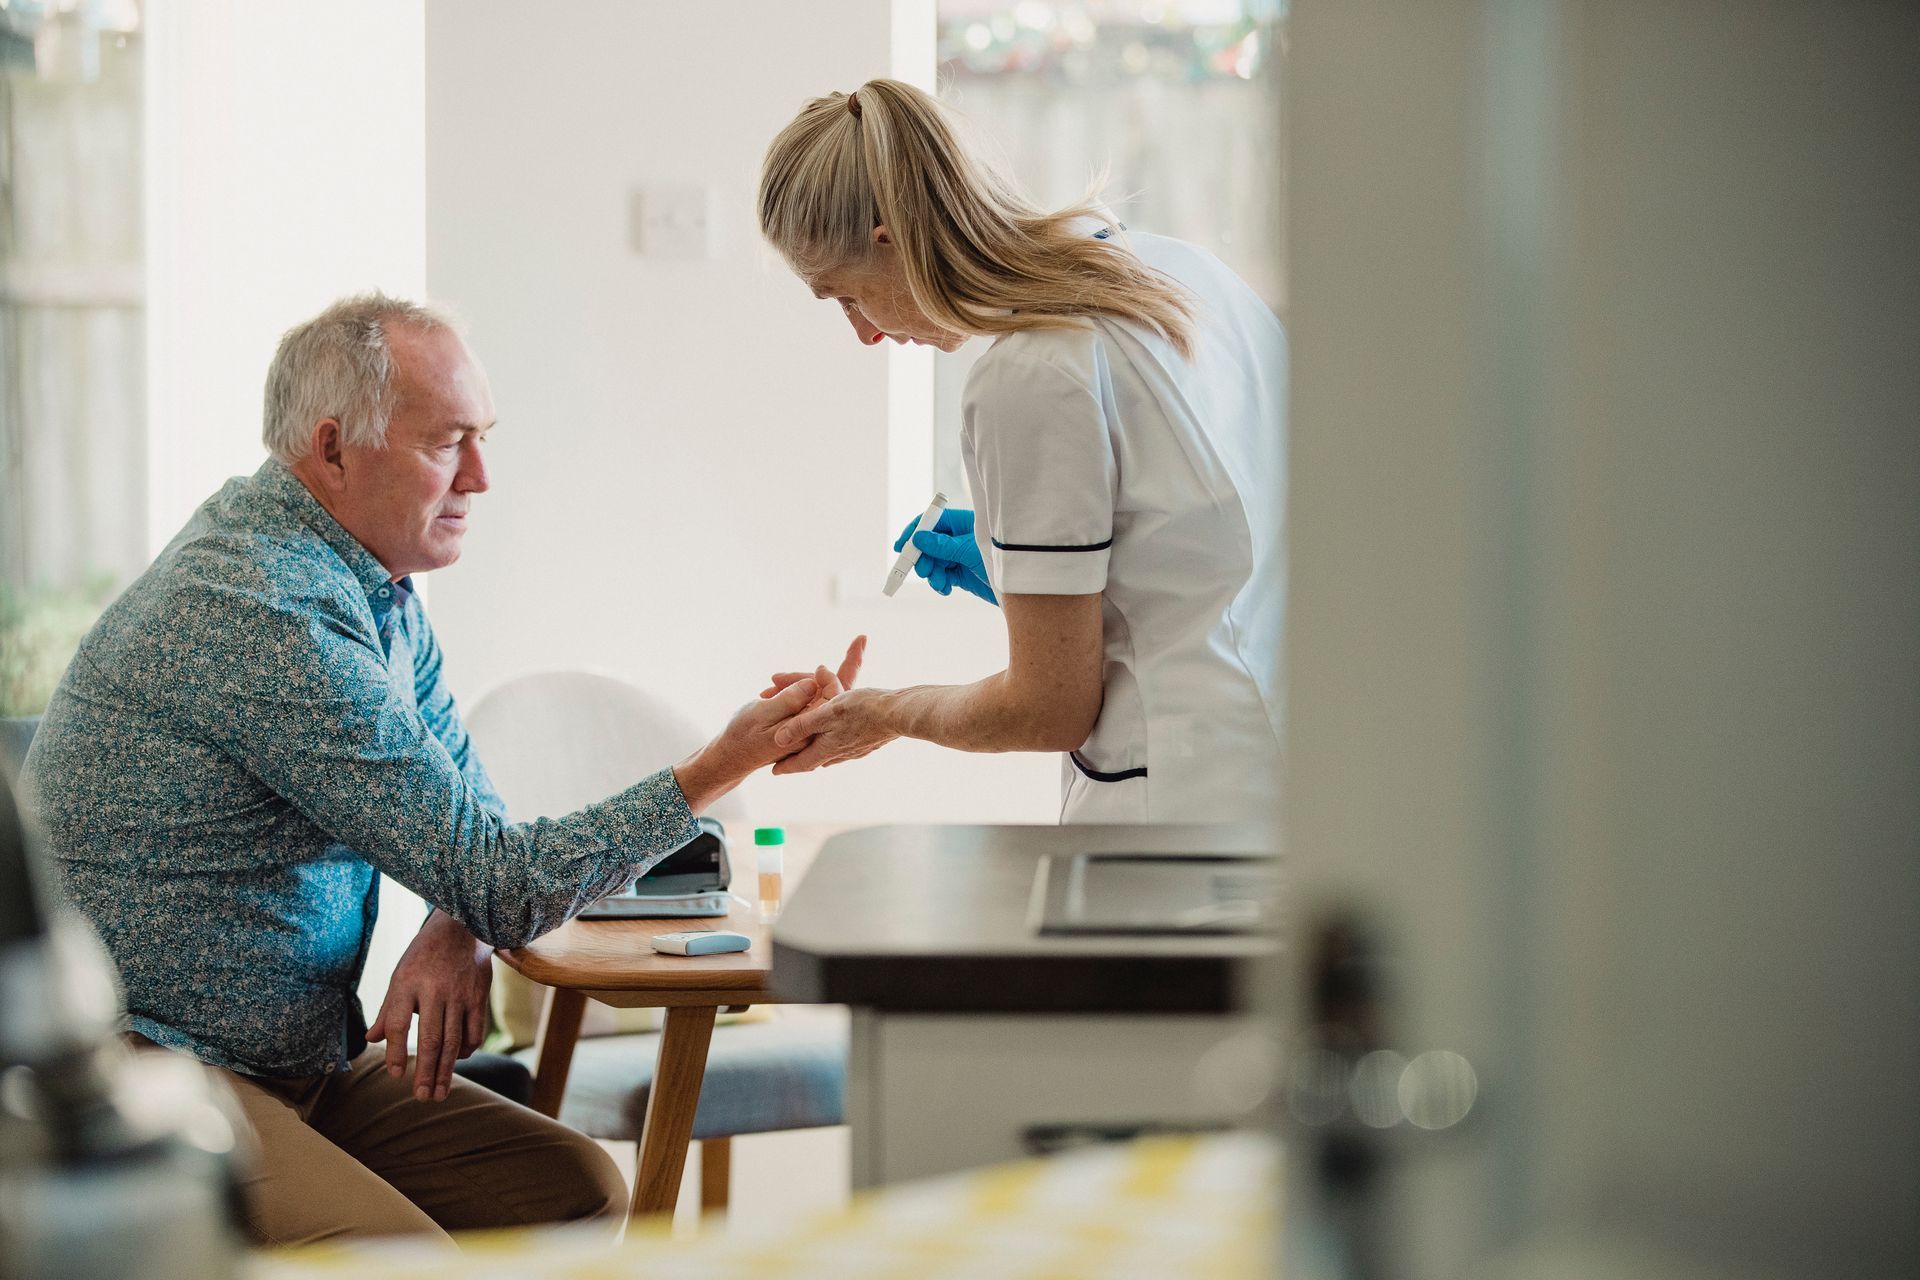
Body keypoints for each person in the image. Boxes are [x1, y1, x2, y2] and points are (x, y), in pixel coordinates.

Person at [17, 293, 850, 1245]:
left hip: (300, 1061)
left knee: (576, 1197)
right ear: (332, 450)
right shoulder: (266, 609)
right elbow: (502, 875)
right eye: (448, 442)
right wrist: (721, 764)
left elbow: (474, 833)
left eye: (483, 437)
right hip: (156, 1065)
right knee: (404, 1261)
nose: (482, 477)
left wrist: (458, 922)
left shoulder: (376, 587)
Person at [754, 78, 1285, 823]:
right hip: (1292, 772)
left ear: (892, 242)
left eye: (845, 295)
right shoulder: (1182, 274)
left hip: (1182, 818)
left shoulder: (1027, 371)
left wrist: (880, 714)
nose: (865, 334)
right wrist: (1023, 568)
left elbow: (1048, 711)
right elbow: (1207, 544)